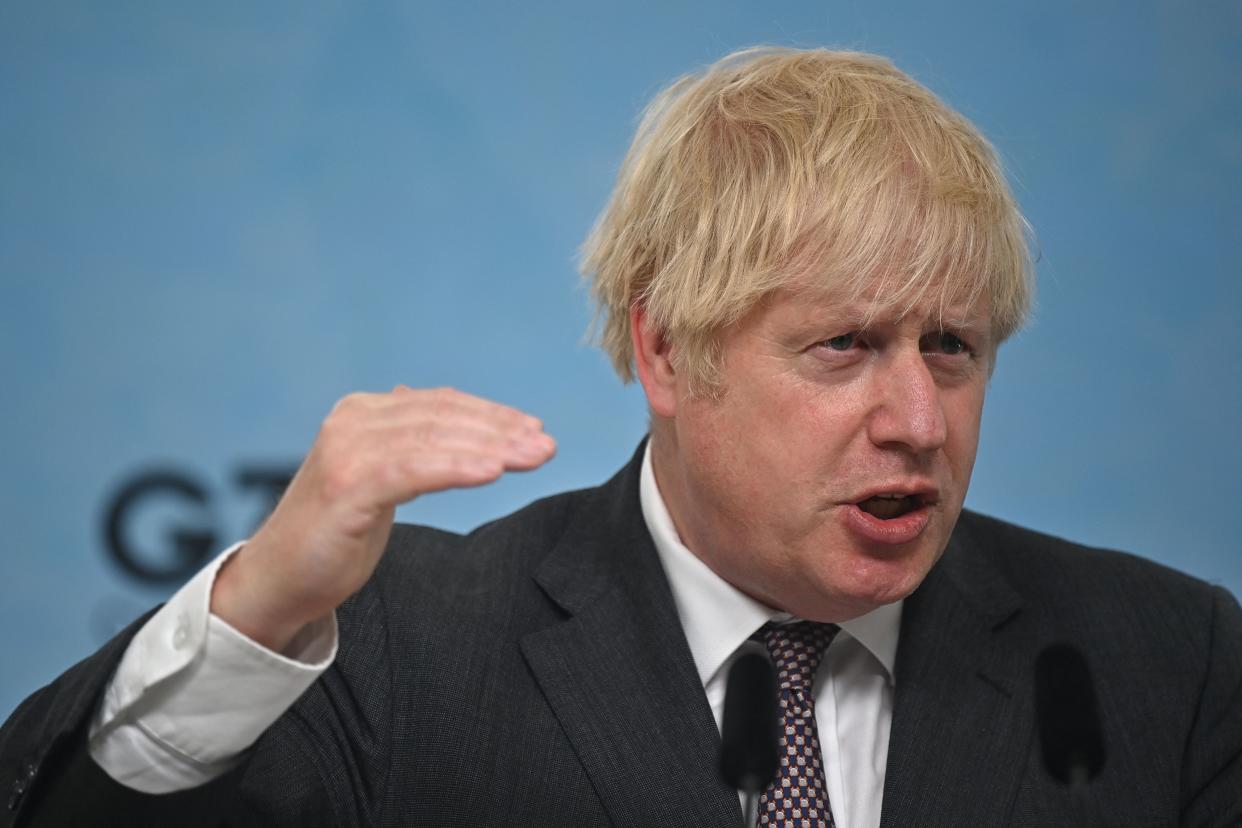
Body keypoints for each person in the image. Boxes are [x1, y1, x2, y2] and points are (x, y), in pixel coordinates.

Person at [2, 46, 1240, 828]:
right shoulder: (396, 650)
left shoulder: (1170, 662)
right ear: (665, 351)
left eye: (952, 350)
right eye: (843, 347)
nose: (918, 422)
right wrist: (258, 608)